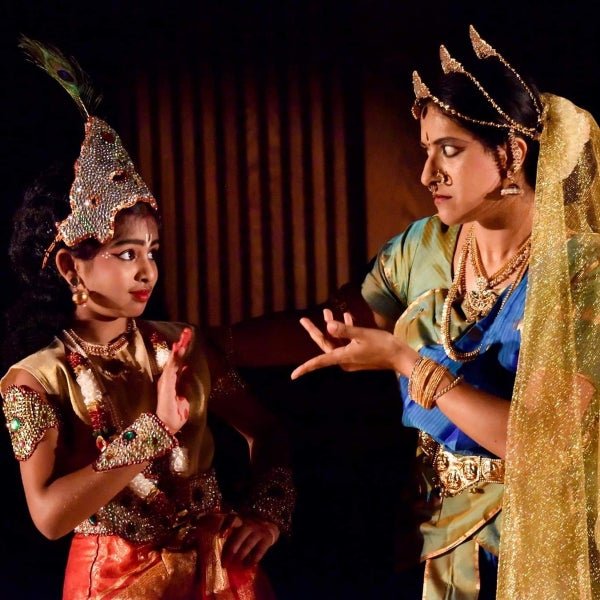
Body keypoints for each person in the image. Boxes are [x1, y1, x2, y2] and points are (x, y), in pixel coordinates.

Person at [227, 25, 600, 599]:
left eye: (449, 150)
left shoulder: (578, 273)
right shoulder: (425, 248)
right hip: (430, 537)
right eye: (426, 150)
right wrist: (211, 343)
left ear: (511, 153)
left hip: (528, 544)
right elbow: (334, 327)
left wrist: (411, 365)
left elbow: (544, 446)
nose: (428, 174)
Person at [1, 36, 295, 599]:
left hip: (222, 575)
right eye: (125, 253)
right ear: (70, 266)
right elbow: (49, 516)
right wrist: (154, 431)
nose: (147, 271)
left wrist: (266, 513)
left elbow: (267, 431)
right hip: (114, 582)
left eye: (152, 251)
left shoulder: (181, 344)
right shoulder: (35, 379)